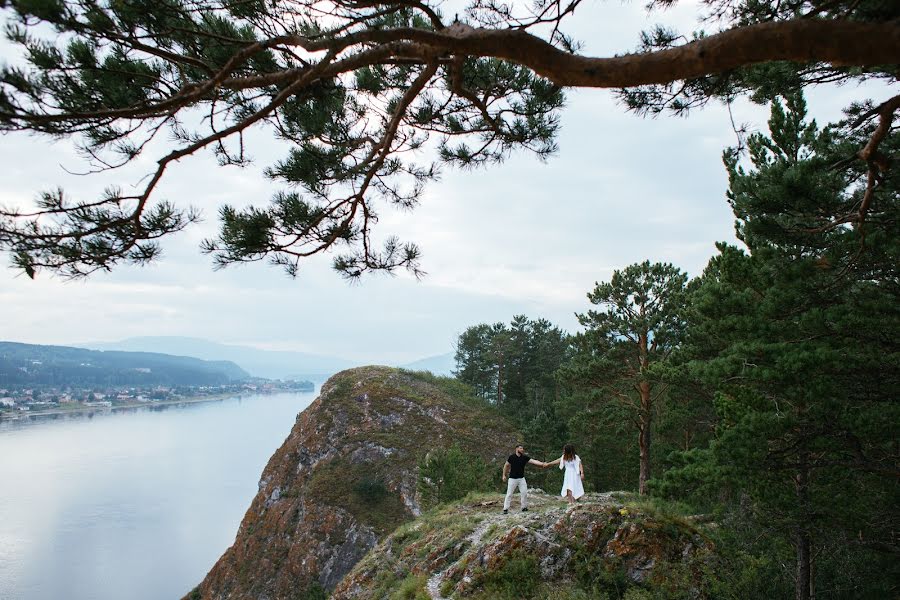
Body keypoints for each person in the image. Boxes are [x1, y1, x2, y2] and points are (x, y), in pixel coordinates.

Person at [502, 444, 546, 514]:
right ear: (516, 449)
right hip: (512, 479)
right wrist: (504, 475)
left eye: (522, 448)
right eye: (520, 448)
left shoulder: (524, 457)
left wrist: (542, 464)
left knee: (524, 493)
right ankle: (505, 508)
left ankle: (524, 507)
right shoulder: (511, 457)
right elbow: (506, 465)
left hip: (521, 478)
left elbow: (533, 461)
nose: (522, 450)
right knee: (509, 494)